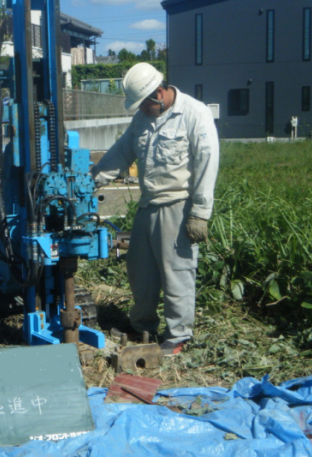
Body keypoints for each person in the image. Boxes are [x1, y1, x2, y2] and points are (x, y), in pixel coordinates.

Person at [92, 63, 219, 356]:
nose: (142, 109)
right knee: (140, 269)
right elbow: (120, 153)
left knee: (176, 272)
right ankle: (142, 325)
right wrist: (91, 180)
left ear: (158, 92)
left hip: (178, 206)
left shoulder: (193, 114)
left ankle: (177, 336)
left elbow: (207, 164)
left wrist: (200, 212)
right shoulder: (142, 118)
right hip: (148, 204)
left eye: (144, 103)